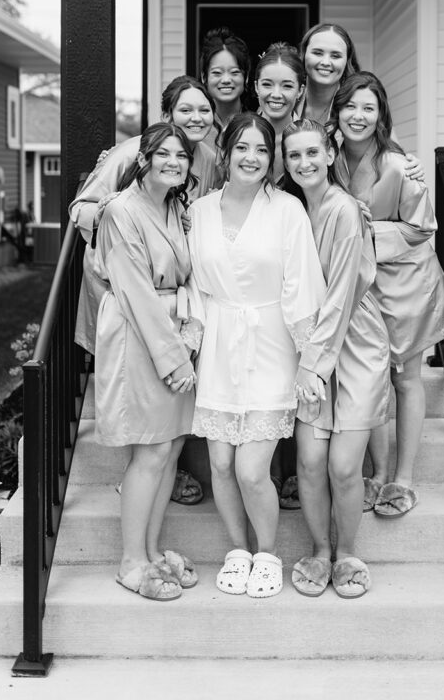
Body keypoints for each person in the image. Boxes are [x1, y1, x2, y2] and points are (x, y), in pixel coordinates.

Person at [187, 113, 325, 598]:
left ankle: (267, 552)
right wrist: (190, 340)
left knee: (251, 468)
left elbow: (302, 282)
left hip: (271, 342)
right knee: (221, 465)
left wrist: (310, 358)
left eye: (262, 150)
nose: (251, 157)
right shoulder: (199, 210)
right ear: (224, 153)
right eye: (241, 147)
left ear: (272, 159)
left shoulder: (287, 209)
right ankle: (238, 550)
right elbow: (194, 286)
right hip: (219, 342)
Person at [70, 75, 217, 505]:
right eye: (185, 109)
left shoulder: (208, 158)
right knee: (143, 414)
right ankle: (139, 487)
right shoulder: (129, 156)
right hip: (127, 289)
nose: (196, 117)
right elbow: (82, 208)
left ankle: (161, 481)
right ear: (166, 114)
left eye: (204, 110)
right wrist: (130, 227)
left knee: (164, 427)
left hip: (177, 297)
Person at [332, 71, 444, 517]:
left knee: (405, 378)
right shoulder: (330, 158)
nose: (358, 116)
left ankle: (403, 478)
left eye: (369, 107)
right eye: (350, 106)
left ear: (381, 114)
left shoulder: (401, 165)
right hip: (360, 285)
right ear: (337, 111)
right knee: (370, 378)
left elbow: (421, 227)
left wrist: (365, 232)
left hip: (405, 283)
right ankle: (377, 473)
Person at [282, 118, 391, 599]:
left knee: (345, 466)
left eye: (312, 152)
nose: (304, 162)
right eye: (294, 155)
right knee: (308, 461)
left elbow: (343, 294)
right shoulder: (291, 212)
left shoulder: (345, 211)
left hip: (354, 342)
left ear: (330, 154)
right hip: (310, 343)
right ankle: (320, 549)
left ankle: (348, 551)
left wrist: (312, 365)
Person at [94, 123, 203, 601]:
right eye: (164, 153)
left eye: (182, 155)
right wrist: (173, 359)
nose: (174, 162)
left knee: (172, 447)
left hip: (174, 329)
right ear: (144, 158)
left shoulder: (175, 207)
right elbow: (135, 292)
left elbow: (189, 276)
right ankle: (130, 563)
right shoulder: (121, 211)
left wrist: (192, 328)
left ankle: (153, 551)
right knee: (151, 451)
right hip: (140, 335)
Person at [253, 42, 306, 185]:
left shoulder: (313, 138)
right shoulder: (237, 134)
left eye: (287, 86)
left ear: (300, 91)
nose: (276, 94)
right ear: (256, 86)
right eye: (267, 84)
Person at [299, 23, 360, 124]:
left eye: (335, 56)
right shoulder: (288, 98)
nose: (325, 62)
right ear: (304, 54)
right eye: (317, 53)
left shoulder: (361, 104)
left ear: (347, 61)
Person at [199, 26, 251, 144]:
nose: (226, 80)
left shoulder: (256, 125)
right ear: (204, 77)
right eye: (217, 73)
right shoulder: (195, 126)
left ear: (246, 77)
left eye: (234, 72)